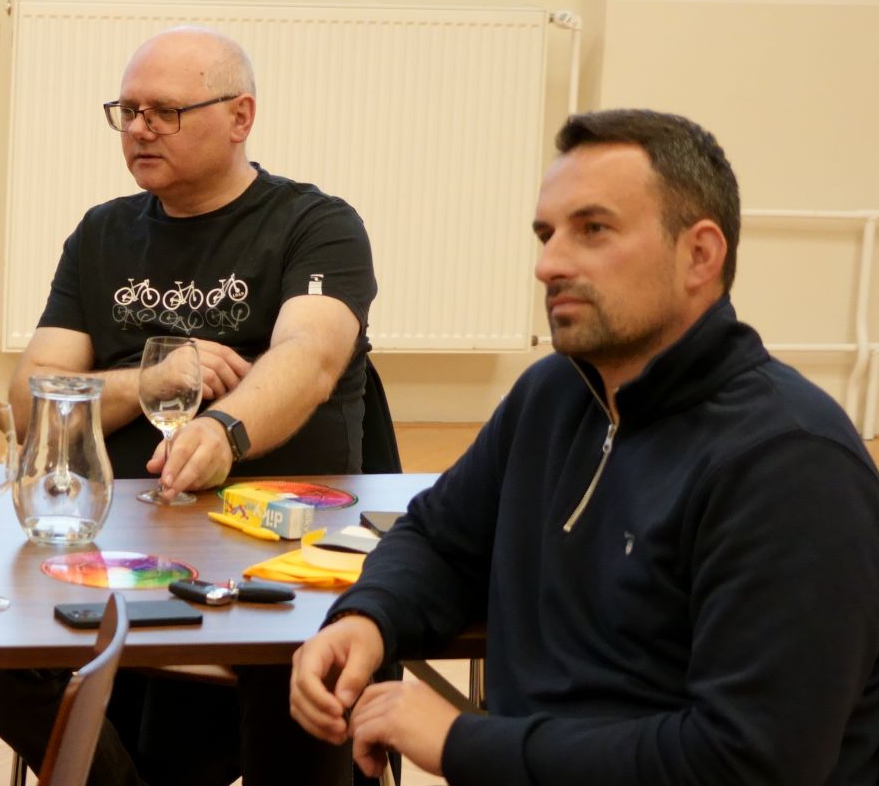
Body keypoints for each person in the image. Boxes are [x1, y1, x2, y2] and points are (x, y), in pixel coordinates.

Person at [291, 109, 879, 785]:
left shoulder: (791, 464)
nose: (549, 264)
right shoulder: (554, 395)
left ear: (700, 255)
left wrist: (460, 742)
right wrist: (368, 618)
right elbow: (440, 538)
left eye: (593, 229)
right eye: (546, 235)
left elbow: (745, 762)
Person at [0, 26, 377, 786]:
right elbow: (33, 397)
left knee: (295, 663)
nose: (141, 128)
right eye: (129, 110)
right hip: (118, 545)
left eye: (166, 111)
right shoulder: (102, 233)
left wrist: (224, 428)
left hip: (272, 548)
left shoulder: (316, 225)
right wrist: (150, 381)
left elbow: (309, 357)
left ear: (241, 117)